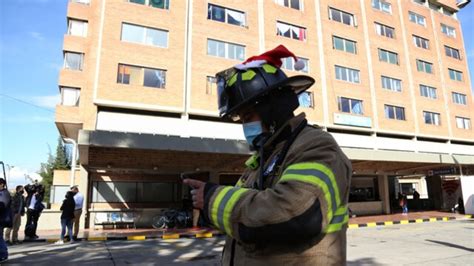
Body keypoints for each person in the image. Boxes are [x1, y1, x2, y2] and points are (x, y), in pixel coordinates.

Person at [183, 45, 352, 265]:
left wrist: (212, 198)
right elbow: (249, 220)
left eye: (247, 116)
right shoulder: (266, 158)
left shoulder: (316, 147)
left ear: (272, 109)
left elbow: (295, 215)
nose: (245, 125)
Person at [0, 178, 11, 262]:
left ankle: (3, 254)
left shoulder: (4, 194)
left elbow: (2, 206)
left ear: (2, 184)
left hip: (1, 218)